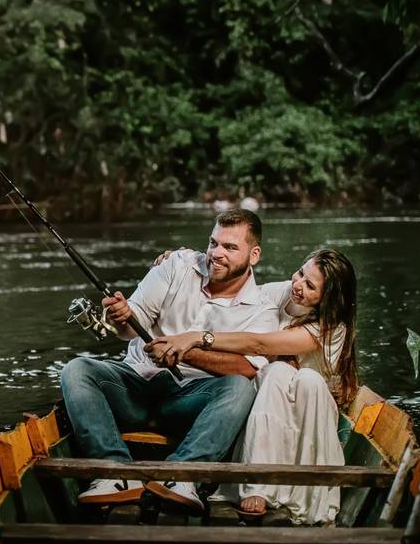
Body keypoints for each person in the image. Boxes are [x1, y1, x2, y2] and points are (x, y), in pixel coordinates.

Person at [59, 209, 279, 513]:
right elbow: (129, 325)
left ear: (253, 255)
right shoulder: (177, 264)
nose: (216, 253)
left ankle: (182, 475)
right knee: (77, 370)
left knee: (240, 389)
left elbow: (247, 368)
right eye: (213, 243)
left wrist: (184, 351)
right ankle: (115, 472)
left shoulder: (262, 309)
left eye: (230, 247)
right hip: (134, 386)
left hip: (188, 401)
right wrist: (121, 315)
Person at [148, 248, 358, 525]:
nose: (297, 285)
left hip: (309, 406)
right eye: (300, 273)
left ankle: (266, 484)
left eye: (310, 286)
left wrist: (198, 338)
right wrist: (185, 259)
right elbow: (237, 286)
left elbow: (259, 344)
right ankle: (256, 481)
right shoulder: (282, 293)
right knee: (275, 372)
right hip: (267, 400)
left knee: (290, 375)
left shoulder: (330, 328)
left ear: (328, 299)